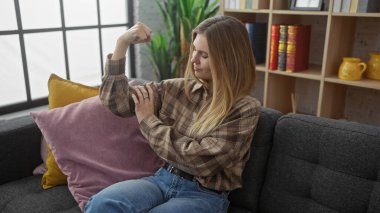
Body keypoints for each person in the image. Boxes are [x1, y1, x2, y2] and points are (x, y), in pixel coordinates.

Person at [84, 15, 261, 213]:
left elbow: (201, 160)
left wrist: (148, 121)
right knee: (101, 203)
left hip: (205, 195)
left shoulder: (245, 109)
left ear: (229, 59)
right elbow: (116, 103)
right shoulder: (175, 88)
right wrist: (122, 43)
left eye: (204, 55)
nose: (193, 59)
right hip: (162, 179)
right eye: (194, 49)